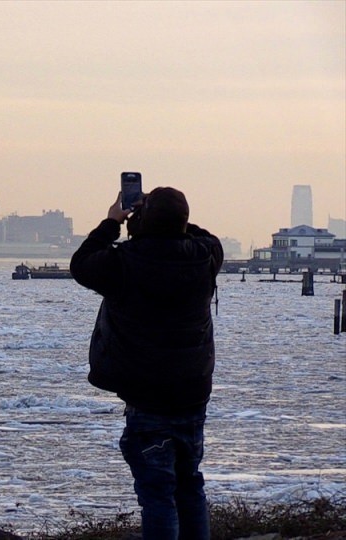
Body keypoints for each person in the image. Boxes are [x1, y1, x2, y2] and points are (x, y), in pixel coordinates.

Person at [69, 186, 224, 539]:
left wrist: (113, 222)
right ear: (183, 221)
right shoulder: (205, 256)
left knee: (157, 494)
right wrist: (166, 217)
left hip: (147, 397)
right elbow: (203, 235)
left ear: (141, 219)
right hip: (193, 392)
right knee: (189, 485)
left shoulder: (123, 261)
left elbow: (81, 264)